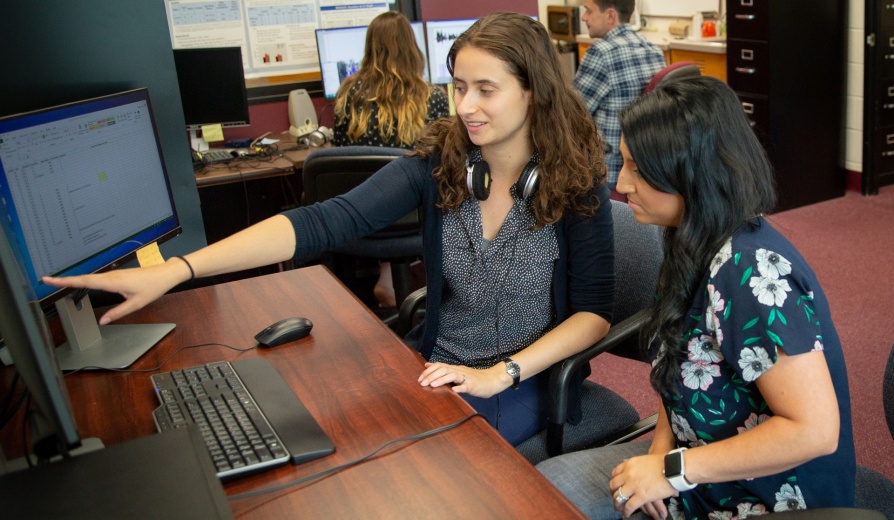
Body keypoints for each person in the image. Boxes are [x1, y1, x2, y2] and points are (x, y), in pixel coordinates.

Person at [44, 12, 615, 447]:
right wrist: (179, 270)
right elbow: (324, 220)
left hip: (525, 380)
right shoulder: (442, 161)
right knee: (339, 427)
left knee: (421, 456)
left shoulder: (574, 180)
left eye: (485, 89)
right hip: (437, 363)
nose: (465, 105)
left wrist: (500, 374)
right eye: (458, 86)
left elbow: (593, 312)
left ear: (532, 89)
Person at [536, 76, 855, 519]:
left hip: (767, 496)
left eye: (637, 170)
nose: (621, 184)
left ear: (690, 174)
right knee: (544, 492)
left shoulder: (750, 271)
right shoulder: (689, 238)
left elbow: (816, 431)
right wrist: (659, 457)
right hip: (699, 473)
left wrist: (674, 470)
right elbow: (680, 371)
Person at [330, 11, 450, 307]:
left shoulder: (347, 93)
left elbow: (341, 152)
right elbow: (446, 159)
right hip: (413, 216)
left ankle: (386, 276)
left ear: (370, 48)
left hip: (364, 211)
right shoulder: (432, 97)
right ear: (412, 48)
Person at [574, 0, 664, 190]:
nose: (584, 17)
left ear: (610, 16)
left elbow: (570, 114)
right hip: (644, 168)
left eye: (589, 11)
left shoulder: (601, 54)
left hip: (609, 172)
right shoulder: (653, 50)